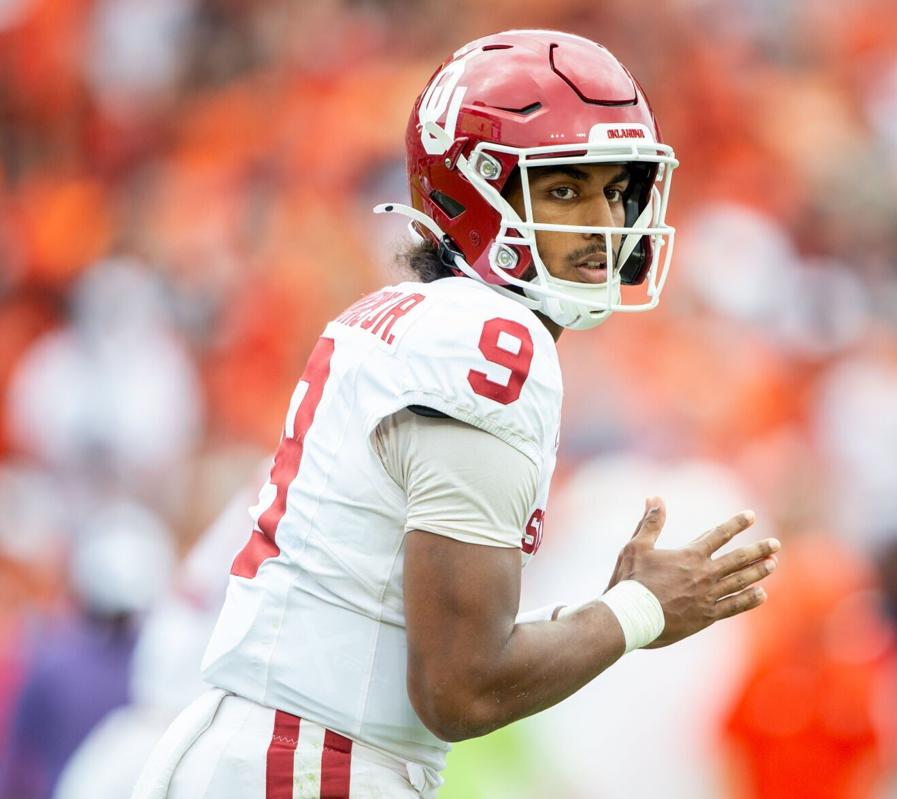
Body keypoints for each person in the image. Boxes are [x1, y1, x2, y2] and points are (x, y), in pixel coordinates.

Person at [134, 29, 780, 799]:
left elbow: (426, 629)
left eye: (618, 189)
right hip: (312, 763)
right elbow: (459, 688)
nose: (608, 224)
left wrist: (605, 609)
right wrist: (640, 611)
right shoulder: (489, 341)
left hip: (269, 746)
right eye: (567, 189)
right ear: (475, 194)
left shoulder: (411, 315)